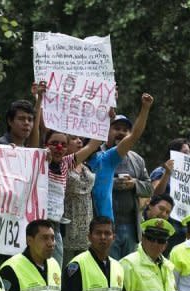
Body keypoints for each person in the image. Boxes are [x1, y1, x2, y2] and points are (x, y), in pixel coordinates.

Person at [88, 93, 154, 259]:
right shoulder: (95, 156)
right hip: (101, 227)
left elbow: (149, 188)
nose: (121, 133)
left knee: (127, 275)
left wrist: (134, 184)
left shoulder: (135, 160)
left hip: (131, 226)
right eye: (116, 128)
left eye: (125, 130)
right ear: (105, 130)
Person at [44, 130, 102, 267]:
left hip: (56, 226)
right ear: (45, 144)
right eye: (54, 143)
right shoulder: (39, 161)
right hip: (39, 224)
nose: (59, 147)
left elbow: (92, 146)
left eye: (63, 144)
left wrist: (106, 118)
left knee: (56, 270)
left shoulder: (65, 164)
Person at [63, 135, 95, 265]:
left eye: (80, 138)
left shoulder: (86, 167)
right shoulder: (62, 164)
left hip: (86, 227)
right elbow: (93, 145)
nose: (79, 141)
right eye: (73, 138)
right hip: (68, 227)